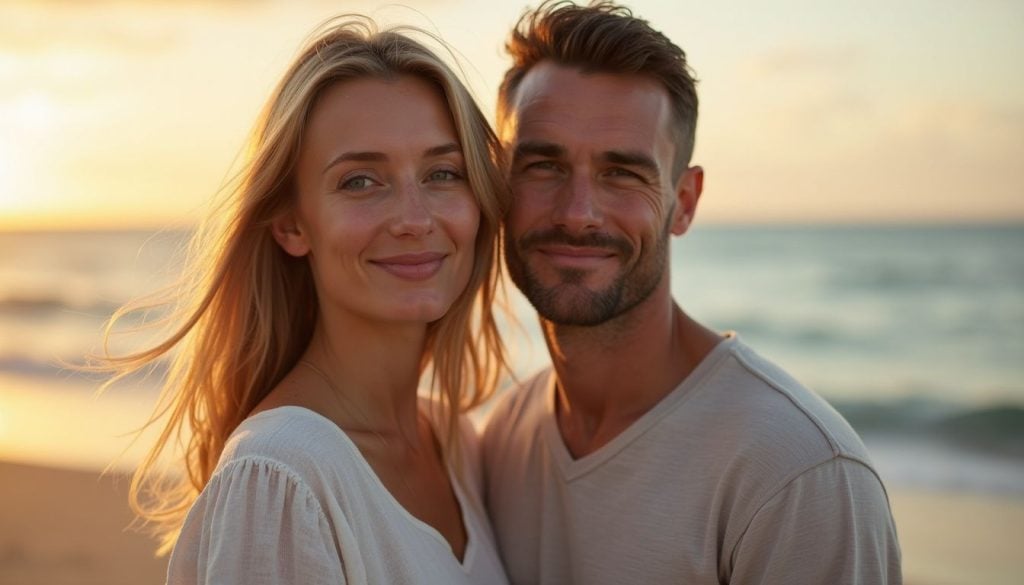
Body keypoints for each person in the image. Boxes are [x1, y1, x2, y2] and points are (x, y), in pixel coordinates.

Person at [480, 2, 902, 583]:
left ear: (685, 201)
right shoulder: (501, 441)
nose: (577, 214)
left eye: (622, 173)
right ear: (496, 182)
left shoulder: (799, 474)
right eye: (542, 166)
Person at [99, 17, 511, 584]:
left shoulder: (454, 444)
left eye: (443, 172)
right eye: (360, 181)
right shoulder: (283, 474)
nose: (415, 219)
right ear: (292, 224)